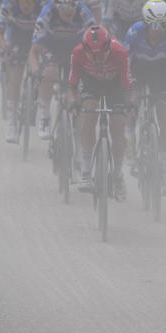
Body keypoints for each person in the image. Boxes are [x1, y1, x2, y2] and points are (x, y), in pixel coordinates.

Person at [67, 26, 135, 201]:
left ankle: (118, 174)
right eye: (92, 56)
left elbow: (128, 87)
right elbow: (71, 87)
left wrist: (130, 107)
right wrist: (74, 103)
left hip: (115, 85)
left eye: (102, 55)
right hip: (91, 83)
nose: (97, 60)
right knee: (88, 115)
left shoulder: (120, 53)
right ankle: (85, 171)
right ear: (85, 50)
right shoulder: (77, 53)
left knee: (118, 127)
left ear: (109, 49)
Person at [124, 0, 166, 191]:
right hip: (138, 70)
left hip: (160, 72)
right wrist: (128, 89)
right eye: (153, 24)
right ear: (145, 22)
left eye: (162, 24)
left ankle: (165, 170)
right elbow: (125, 64)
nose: (158, 29)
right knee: (132, 103)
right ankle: (130, 140)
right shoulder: (134, 32)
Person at [27, 0, 96, 139]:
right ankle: (44, 115)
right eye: (63, 6)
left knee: (79, 86)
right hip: (52, 48)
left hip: (76, 50)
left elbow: (95, 43)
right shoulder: (47, 14)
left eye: (72, 5)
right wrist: (36, 71)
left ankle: (78, 130)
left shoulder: (84, 13)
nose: (68, 10)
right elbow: (34, 51)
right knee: (50, 72)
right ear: (55, 5)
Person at [0, 0, 50, 143]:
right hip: (17, 36)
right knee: (15, 76)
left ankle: (42, 114)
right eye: (22, 0)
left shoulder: (46, 4)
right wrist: (4, 46)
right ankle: (12, 122)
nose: (25, 4)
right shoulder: (8, 3)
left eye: (30, 0)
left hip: (39, 38)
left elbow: (52, 32)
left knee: (45, 72)